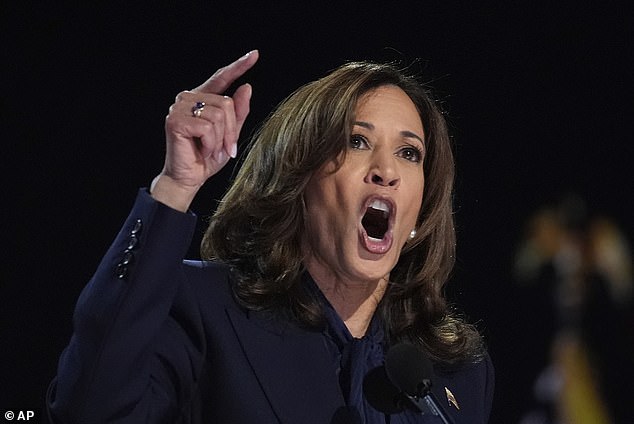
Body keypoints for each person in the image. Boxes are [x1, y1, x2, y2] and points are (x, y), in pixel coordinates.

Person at [46, 50, 494, 423]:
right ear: (299, 183)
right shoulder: (204, 312)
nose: (387, 171)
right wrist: (175, 187)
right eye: (357, 141)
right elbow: (89, 410)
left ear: (419, 212)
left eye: (409, 152)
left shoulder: (455, 373)